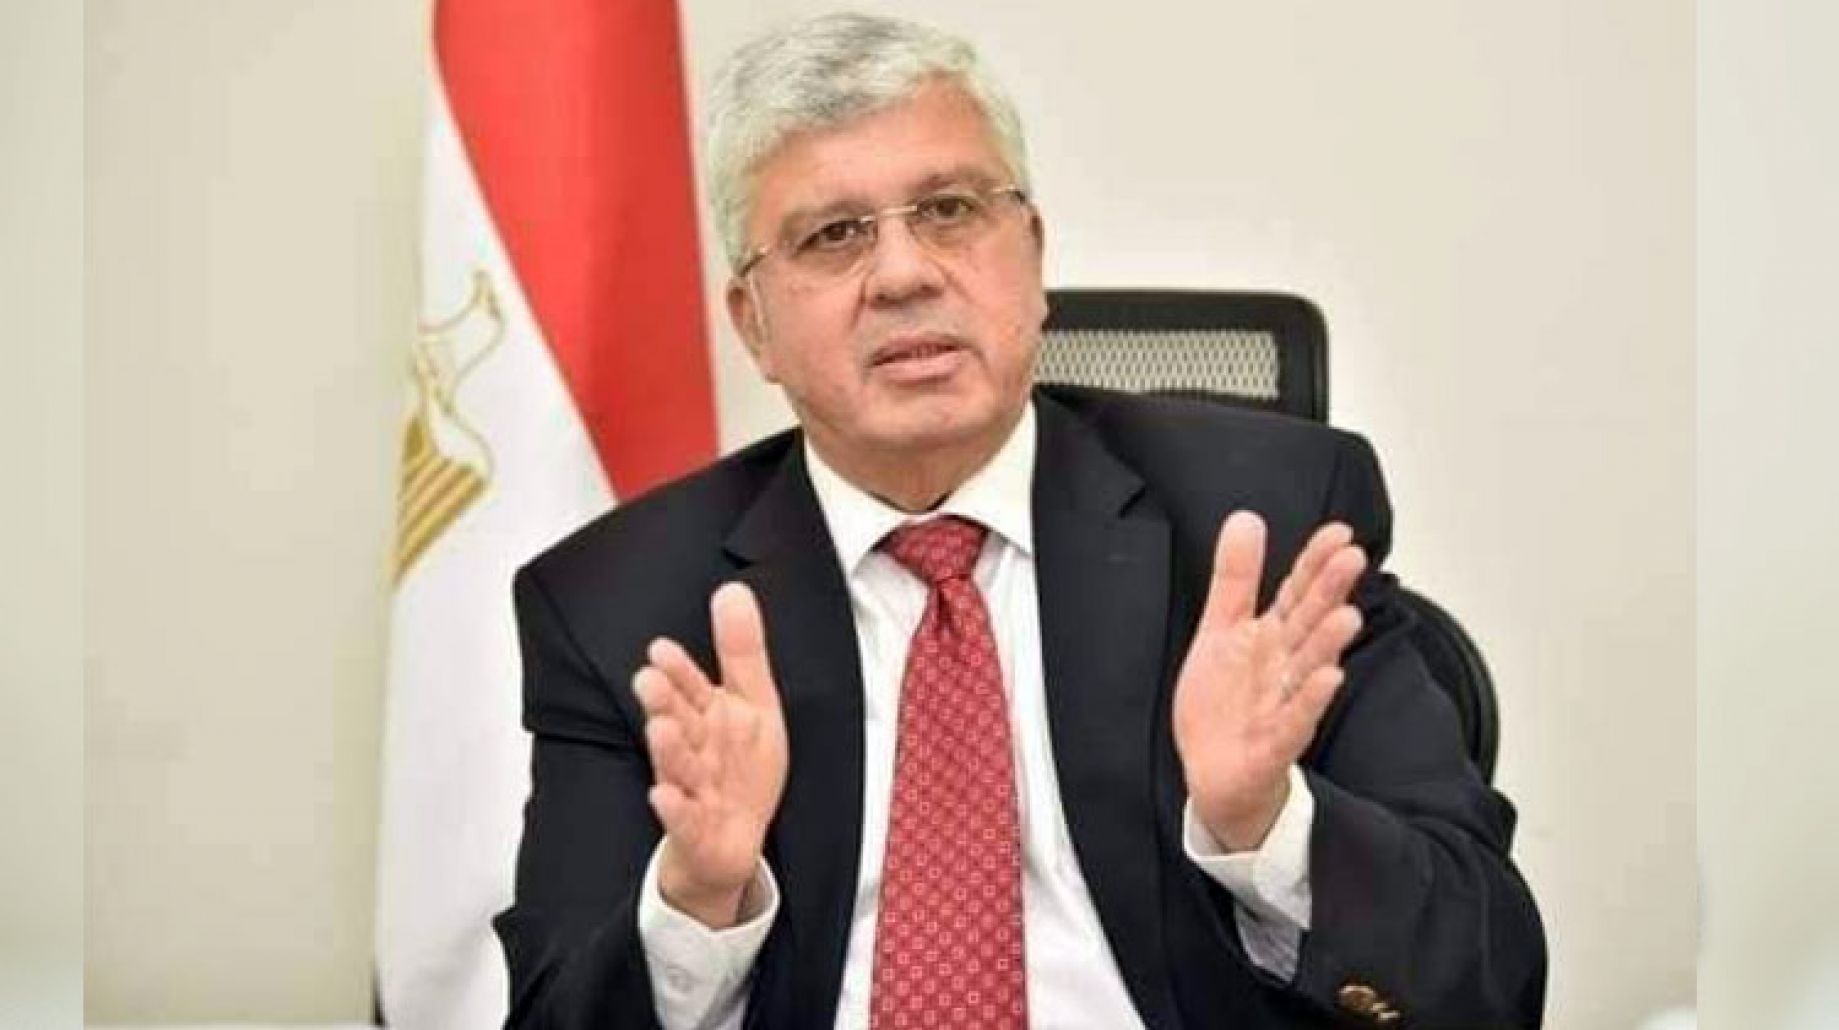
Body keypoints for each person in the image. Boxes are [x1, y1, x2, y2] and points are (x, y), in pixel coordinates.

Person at [493, 12, 1545, 1029]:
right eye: (833, 235)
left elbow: (1488, 980)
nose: (904, 274)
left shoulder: (1267, 523)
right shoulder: (621, 608)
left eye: (949, 209)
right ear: (754, 325)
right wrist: (697, 901)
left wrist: (1264, 826)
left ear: (1031, 255)